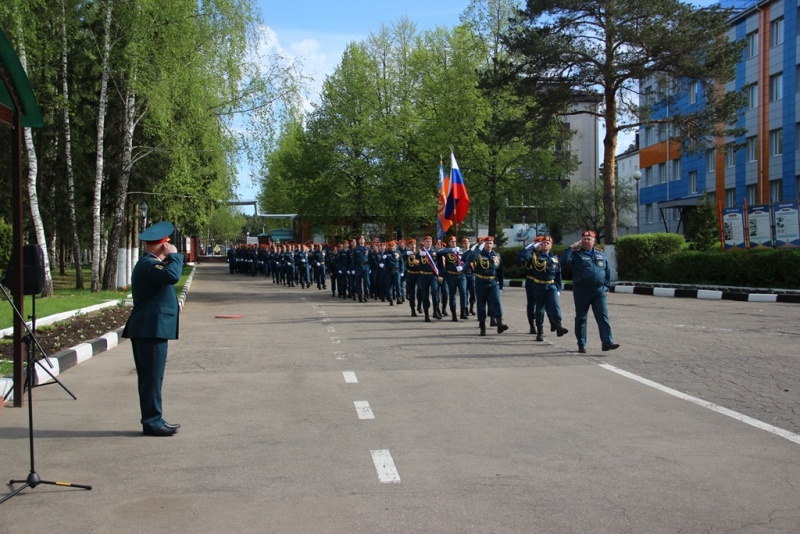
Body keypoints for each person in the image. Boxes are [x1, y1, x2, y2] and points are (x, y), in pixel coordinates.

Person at [122, 221, 183, 437]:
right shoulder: (149, 265)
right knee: (152, 377)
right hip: (150, 329)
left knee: (151, 377)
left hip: (150, 329)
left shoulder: (150, 263)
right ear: (164, 245)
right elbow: (173, 276)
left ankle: (153, 418)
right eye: (169, 245)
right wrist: (175, 256)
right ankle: (152, 421)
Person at [562, 230, 619, 354]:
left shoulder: (600, 254)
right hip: (582, 291)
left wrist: (606, 287)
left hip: (599, 292)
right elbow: (564, 262)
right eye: (584, 239)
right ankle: (581, 344)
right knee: (581, 318)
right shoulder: (576, 255)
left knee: (603, 317)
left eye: (589, 239)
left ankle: (607, 342)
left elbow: (607, 271)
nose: (586, 241)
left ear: (594, 241)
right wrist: (571, 247)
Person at [520, 235, 568, 341]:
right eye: (543, 243)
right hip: (538, 285)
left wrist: (558, 288)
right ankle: (540, 331)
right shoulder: (534, 256)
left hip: (551, 285)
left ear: (551, 246)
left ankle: (558, 326)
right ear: (540, 245)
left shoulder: (554, 258)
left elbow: (558, 274)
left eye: (548, 243)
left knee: (555, 304)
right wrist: (531, 247)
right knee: (540, 309)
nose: (545, 244)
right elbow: (521, 257)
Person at [466, 236, 509, 336]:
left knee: (496, 301)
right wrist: (477, 249)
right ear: (483, 244)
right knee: (481, 305)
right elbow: (469, 259)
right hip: (481, 281)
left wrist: (501, 286)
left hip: (493, 282)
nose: (488, 245)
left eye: (490, 243)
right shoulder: (478, 255)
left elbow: (500, 271)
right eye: (486, 243)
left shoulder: (496, 255)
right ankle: (482, 326)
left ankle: (499, 323)